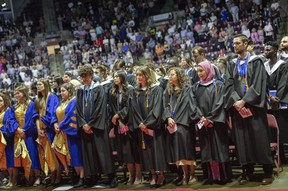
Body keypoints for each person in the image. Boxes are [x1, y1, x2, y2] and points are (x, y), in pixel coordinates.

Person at [224, 34, 274, 185]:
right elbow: (228, 85)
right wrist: (236, 101)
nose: (235, 45)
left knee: (259, 139)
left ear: (246, 44)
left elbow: (259, 83)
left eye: (238, 43)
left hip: (254, 108)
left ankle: (267, 172)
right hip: (238, 109)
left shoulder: (256, 61)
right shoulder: (232, 63)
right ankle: (247, 172)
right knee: (242, 140)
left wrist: (244, 100)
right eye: (233, 43)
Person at [76, 64, 117, 188]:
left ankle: (111, 177)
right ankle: (93, 177)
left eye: (86, 76)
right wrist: (83, 124)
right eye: (82, 77)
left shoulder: (99, 89)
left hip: (98, 127)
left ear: (91, 75)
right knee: (89, 153)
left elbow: (100, 108)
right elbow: (78, 109)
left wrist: (91, 125)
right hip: (85, 128)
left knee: (102, 152)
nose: (84, 79)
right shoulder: (80, 91)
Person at [193, 61, 232, 185]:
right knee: (206, 150)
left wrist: (210, 119)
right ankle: (210, 176)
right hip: (202, 123)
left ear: (208, 70)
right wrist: (201, 118)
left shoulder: (218, 85)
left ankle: (223, 176)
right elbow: (193, 104)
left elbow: (219, 103)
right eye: (198, 71)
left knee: (219, 148)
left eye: (201, 71)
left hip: (216, 123)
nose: (199, 74)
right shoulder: (195, 87)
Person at [128, 65, 166, 187]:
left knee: (156, 151)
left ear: (147, 76)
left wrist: (148, 124)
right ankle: (152, 174)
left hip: (154, 127)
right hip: (142, 127)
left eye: (141, 75)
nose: (138, 77)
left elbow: (157, 108)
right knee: (147, 152)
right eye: (137, 75)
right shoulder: (135, 91)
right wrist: (140, 124)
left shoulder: (156, 90)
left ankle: (161, 174)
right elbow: (134, 109)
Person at [163, 67, 197, 186]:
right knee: (178, 149)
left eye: (172, 74)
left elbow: (190, 106)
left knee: (187, 148)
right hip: (172, 124)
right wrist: (168, 118)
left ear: (179, 76)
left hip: (184, 123)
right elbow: (165, 106)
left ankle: (192, 174)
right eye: (169, 75)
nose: (170, 77)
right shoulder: (168, 91)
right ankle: (185, 174)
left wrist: (178, 120)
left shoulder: (187, 89)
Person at [108, 70, 141, 185]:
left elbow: (129, 107)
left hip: (131, 124)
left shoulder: (130, 89)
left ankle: (138, 176)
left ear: (122, 77)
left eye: (117, 76)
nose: (115, 78)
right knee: (126, 152)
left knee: (134, 151)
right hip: (119, 125)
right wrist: (118, 120)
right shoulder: (113, 91)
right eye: (114, 76)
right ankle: (131, 175)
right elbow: (112, 108)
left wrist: (119, 116)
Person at [53, 83, 84, 188]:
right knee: (69, 155)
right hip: (63, 131)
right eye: (60, 91)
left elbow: (70, 115)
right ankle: (75, 175)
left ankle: (82, 177)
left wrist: (60, 126)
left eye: (63, 91)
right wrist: (56, 125)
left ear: (69, 91)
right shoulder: (62, 102)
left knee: (76, 154)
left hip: (71, 132)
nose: (61, 93)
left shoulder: (73, 101)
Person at [263, 41, 288, 164]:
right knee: (273, 132)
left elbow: (284, 83)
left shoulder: (283, 65)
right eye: (265, 49)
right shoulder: (264, 65)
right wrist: (268, 97)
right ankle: (279, 156)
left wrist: (277, 97)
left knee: (283, 129)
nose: (266, 51)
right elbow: (263, 83)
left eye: (268, 50)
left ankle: (284, 156)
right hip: (268, 101)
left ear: (276, 50)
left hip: (281, 100)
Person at [13, 85, 41, 186]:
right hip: (18, 134)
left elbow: (32, 119)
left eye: (18, 93)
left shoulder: (31, 104)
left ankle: (37, 176)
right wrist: (17, 129)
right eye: (15, 93)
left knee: (32, 155)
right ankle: (29, 176)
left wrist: (24, 130)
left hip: (29, 134)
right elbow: (11, 119)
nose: (16, 95)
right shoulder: (15, 106)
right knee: (23, 157)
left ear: (24, 93)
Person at [34, 79, 60, 186]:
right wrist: (38, 129)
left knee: (53, 154)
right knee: (45, 154)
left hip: (49, 129)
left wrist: (44, 127)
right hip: (41, 129)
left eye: (40, 84)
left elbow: (52, 113)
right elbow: (35, 115)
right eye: (37, 85)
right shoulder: (38, 99)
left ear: (45, 85)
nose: (38, 86)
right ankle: (52, 174)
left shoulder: (52, 96)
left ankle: (58, 175)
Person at [0, 92, 18, 188]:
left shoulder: (8, 111)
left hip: (8, 138)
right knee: (5, 161)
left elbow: (10, 125)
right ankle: (9, 179)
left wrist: (2, 131)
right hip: (1, 140)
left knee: (11, 160)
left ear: (5, 101)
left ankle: (13, 180)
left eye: (1, 101)